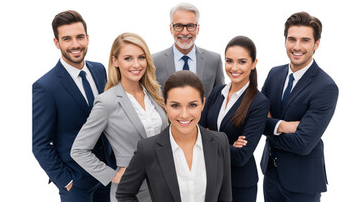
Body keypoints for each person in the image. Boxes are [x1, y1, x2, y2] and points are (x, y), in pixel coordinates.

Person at [71, 32, 167, 202]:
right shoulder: (106, 102)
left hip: (163, 185)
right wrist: (112, 176)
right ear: (115, 61)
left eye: (141, 57)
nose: (136, 64)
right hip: (131, 190)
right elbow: (79, 150)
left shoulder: (155, 93)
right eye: (128, 58)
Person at [33, 10, 115, 201]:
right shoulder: (45, 87)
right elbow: (40, 144)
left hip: (108, 174)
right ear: (57, 43)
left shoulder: (99, 69)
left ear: (87, 38)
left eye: (79, 37)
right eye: (67, 39)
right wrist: (65, 181)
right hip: (76, 184)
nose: (75, 44)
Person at [116, 70, 232, 202]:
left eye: (192, 105)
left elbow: (225, 197)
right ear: (165, 105)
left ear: (203, 104)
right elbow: (124, 194)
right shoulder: (148, 149)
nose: (184, 115)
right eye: (175, 105)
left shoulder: (220, 142)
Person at [260, 12, 339, 202]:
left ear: (316, 44)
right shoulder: (274, 74)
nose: (297, 47)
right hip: (270, 174)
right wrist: (283, 126)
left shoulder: (326, 87)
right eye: (292, 39)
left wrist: (269, 124)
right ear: (285, 41)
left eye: (305, 40)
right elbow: (254, 118)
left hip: (303, 181)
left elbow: (304, 143)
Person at [200, 36, 269, 202]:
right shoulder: (217, 92)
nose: (234, 67)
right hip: (209, 179)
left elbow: (241, 157)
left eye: (242, 62)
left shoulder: (259, 102)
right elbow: (196, 131)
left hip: (239, 184)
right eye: (229, 61)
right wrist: (227, 143)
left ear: (253, 64)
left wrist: (209, 136)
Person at [152, 2, 224, 96]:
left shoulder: (214, 60)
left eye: (190, 26)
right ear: (171, 29)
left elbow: (219, 98)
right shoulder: (154, 61)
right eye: (179, 26)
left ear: (198, 29)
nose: (185, 32)